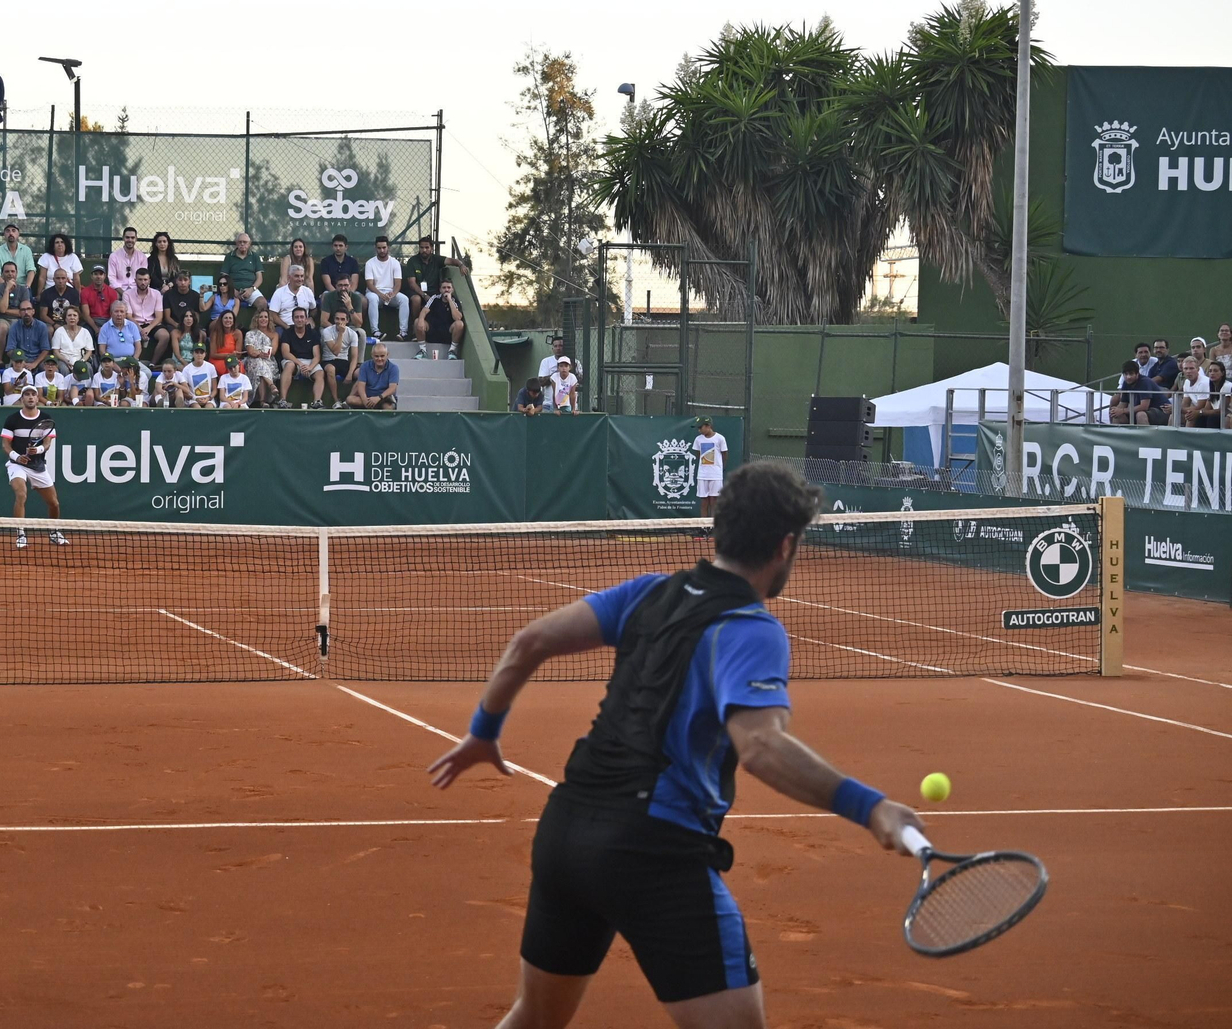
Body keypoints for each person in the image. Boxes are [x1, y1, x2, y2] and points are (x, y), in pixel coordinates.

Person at [426, 461, 924, 1029]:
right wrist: (869, 805)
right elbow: (759, 747)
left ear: (722, 529)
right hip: (653, 851)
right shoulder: (750, 629)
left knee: (534, 1019)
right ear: (786, 545)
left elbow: (529, 642)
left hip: (566, 832)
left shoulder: (649, 594)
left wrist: (482, 733)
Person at [2, 385, 68, 549]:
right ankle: (21, 534)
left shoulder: (45, 417)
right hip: (17, 464)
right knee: (21, 494)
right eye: (27, 395)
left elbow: (47, 444)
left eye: (33, 394)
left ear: (37, 398)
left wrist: (37, 449)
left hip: (37, 465)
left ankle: (53, 532)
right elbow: (6, 445)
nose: (30, 397)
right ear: (22, 398)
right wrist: (17, 457)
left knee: (54, 503)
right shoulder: (12, 419)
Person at [402, 235, 469, 321]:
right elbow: (412, 283)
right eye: (421, 248)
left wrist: (461, 265)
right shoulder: (413, 261)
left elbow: (451, 261)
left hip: (434, 291)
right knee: (416, 299)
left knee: (443, 298)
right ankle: (415, 324)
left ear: (432, 249)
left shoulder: (437, 259)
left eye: (427, 247)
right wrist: (424, 295)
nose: (424, 250)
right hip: (416, 292)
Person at [277, 307, 324, 409]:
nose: (299, 319)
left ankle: (317, 402)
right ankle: (283, 400)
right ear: (293, 319)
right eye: (297, 317)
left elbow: (317, 356)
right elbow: (285, 353)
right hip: (293, 360)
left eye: (302, 317)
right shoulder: (287, 332)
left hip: (309, 361)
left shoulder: (313, 333)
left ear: (306, 319)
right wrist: (300, 364)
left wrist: (310, 367)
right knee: (289, 365)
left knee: (320, 373)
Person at [364, 235, 410, 339]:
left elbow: (398, 283)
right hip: (375, 292)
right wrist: (381, 294)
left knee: (404, 299)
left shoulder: (395, 262)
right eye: (379, 248)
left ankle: (403, 332)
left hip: (390, 293)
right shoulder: (370, 263)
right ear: (376, 248)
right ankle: (375, 331)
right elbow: (369, 284)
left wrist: (392, 294)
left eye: (384, 247)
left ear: (388, 247)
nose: (382, 250)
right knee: (373, 298)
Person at [152, 269, 199, 364]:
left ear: (189, 281)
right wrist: (179, 325)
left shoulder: (195, 295)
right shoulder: (168, 295)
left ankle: (198, 361)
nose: (183, 283)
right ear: (176, 281)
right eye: (180, 280)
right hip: (173, 324)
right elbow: (167, 317)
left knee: (202, 334)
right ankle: (161, 362)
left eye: (185, 280)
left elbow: (196, 316)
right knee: (173, 333)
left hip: (190, 324)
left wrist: (190, 325)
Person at [0, 265, 35, 363]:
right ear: (2, 274)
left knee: (22, 325)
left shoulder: (24, 290)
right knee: (3, 327)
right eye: (7, 271)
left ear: (16, 273)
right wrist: (7, 289)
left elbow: (25, 312)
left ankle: (21, 359)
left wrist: (5, 310)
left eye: (12, 271)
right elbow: (2, 309)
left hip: (19, 320)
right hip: (1, 319)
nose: (10, 274)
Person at [414, 278, 465, 360]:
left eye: (448, 287)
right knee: (418, 321)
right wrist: (420, 322)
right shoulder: (435, 298)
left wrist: (449, 300)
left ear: (452, 289)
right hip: (432, 330)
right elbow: (424, 311)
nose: (446, 290)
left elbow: (457, 317)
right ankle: (422, 350)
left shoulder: (455, 301)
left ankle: (452, 351)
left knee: (459, 324)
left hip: (447, 332)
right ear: (440, 290)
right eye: (444, 288)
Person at [218, 232, 266, 314]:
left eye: (245, 242)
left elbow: (259, 278)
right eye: (240, 242)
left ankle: (254, 325)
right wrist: (232, 290)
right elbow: (224, 277)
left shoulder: (255, 256)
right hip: (232, 290)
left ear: (249, 244)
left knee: (263, 304)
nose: (242, 244)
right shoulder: (229, 257)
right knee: (224, 306)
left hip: (251, 290)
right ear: (236, 243)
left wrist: (251, 289)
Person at [320, 310, 360, 407]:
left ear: (347, 321)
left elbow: (354, 356)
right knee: (331, 369)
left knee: (362, 372)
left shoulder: (352, 334)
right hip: (328, 360)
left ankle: (348, 400)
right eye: (337, 319)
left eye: (342, 319)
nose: (339, 321)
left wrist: (350, 374)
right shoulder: (327, 331)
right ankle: (336, 401)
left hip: (343, 361)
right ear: (334, 319)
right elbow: (336, 352)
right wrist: (341, 334)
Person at [1109, 360, 1168, 425]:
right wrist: (1116, 410)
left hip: (1162, 411)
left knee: (1140, 415)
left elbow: (1144, 406)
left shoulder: (1144, 382)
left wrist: (1122, 410)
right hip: (1147, 411)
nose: (1128, 377)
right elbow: (1123, 403)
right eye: (1126, 374)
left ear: (1137, 373)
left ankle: (1145, 435)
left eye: (1131, 374)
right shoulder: (1126, 383)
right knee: (1116, 415)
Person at [693, 417, 729, 519]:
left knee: (714, 501)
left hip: (716, 475)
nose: (699, 430)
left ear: (708, 426)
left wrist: (720, 469)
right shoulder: (698, 439)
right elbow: (698, 454)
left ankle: (713, 526)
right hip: (702, 475)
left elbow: (724, 454)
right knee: (704, 501)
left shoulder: (720, 438)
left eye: (701, 427)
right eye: (698, 428)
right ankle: (703, 528)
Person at [243, 310, 280, 408]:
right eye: (261, 317)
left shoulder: (274, 334)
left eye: (265, 317)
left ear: (269, 319)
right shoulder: (250, 334)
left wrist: (261, 353)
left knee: (261, 367)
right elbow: (251, 351)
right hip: (252, 361)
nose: (263, 319)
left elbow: (274, 351)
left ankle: (263, 402)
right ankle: (271, 385)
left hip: (269, 362)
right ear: (256, 319)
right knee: (258, 363)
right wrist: (260, 353)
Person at [347, 343, 400, 410]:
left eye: (382, 356)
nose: (379, 359)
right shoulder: (365, 366)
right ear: (372, 355)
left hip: (384, 399)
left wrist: (378, 398)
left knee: (388, 407)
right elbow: (361, 385)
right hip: (368, 398)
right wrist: (365, 401)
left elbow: (392, 388)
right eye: (376, 356)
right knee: (350, 399)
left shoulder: (393, 368)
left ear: (387, 355)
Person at [4, 298, 52, 371]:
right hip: (19, 359)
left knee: (48, 369)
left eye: (28, 309)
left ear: (33, 311)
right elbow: (10, 350)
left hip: (37, 359)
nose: (26, 312)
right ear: (19, 313)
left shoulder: (42, 326)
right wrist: (20, 361)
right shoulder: (14, 326)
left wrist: (35, 363)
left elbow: (45, 349)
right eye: (23, 310)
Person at [122, 268, 164, 347]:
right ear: (135, 280)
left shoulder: (156, 294)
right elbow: (128, 316)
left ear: (149, 281)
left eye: (145, 279)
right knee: (126, 335)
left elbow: (159, 317)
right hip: (134, 324)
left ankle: (154, 360)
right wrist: (140, 329)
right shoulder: (127, 294)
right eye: (140, 279)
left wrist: (148, 328)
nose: (143, 282)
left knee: (165, 336)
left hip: (151, 324)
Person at [269, 263, 317, 329]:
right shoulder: (279, 292)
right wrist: (286, 326)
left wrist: (310, 318)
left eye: (302, 276)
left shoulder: (307, 291)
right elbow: (272, 314)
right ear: (289, 277)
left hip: (304, 326)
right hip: (285, 327)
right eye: (296, 276)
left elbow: (313, 309)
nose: (300, 279)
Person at [80, 263, 120, 341]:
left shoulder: (112, 292)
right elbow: (86, 315)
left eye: (101, 274)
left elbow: (114, 313)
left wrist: (104, 328)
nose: (98, 277)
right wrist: (96, 329)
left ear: (105, 276)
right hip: (92, 321)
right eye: (95, 274)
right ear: (91, 276)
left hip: (108, 321)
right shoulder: (85, 292)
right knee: (85, 332)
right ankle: (90, 353)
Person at [51, 308, 94, 374]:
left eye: (75, 315)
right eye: (69, 315)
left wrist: (81, 361)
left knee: (88, 367)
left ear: (78, 318)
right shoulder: (59, 331)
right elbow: (55, 352)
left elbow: (89, 351)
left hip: (80, 360)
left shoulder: (85, 332)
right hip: (63, 361)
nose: (72, 317)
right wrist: (66, 361)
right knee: (63, 369)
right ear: (65, 318)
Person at [179, 342, 219, 408]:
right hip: (193, 399)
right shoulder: (186, 369)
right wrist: (195, 398)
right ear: (192, 354)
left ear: (205, 354)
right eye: (197, 352)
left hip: (208, 398)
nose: (199, 355)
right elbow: (185, 390)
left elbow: (214, 389)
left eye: (201, 352)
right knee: (197, 408)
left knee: (209, 408)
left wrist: (208, 398)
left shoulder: (211, 367)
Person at [1174, 356, 1210, 427]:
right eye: (1186, 368)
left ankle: (1187, 437)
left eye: (1191, 368)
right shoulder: (1187, 382)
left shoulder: (1203, 382)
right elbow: (1185, 404)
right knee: (1173, 415)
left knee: (1190, 416)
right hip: (1197, 410)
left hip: (1206, 412)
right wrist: (1176, 409)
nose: (1188, 371)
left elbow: (1200, 406)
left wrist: (1176, 409)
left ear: (1198, 369)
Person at [207, 309, 243, 376]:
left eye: (230, 318)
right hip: (217, 360)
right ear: (221, 320)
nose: (228, 320)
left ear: (233, 321)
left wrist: (232, 356)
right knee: (227, 367)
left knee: (239, 366)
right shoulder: (215, 333)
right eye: (226, 318)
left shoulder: (238, 333)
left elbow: (238, 354)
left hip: (232, 359)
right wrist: (230, 355)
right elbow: (213, 354)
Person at [1200, 360, 1227, 429]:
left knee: (1213, 418)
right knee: (1199, 418)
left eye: (1215, 371)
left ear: (1222, 373)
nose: (1212, 373)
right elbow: (1207, 408)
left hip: (1226, 415)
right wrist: (1199, 413)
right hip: (1217, 415)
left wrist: (1201, 412)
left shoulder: (1227, 386)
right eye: (1210, 371)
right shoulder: (1212, 387)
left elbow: (1221, 410)